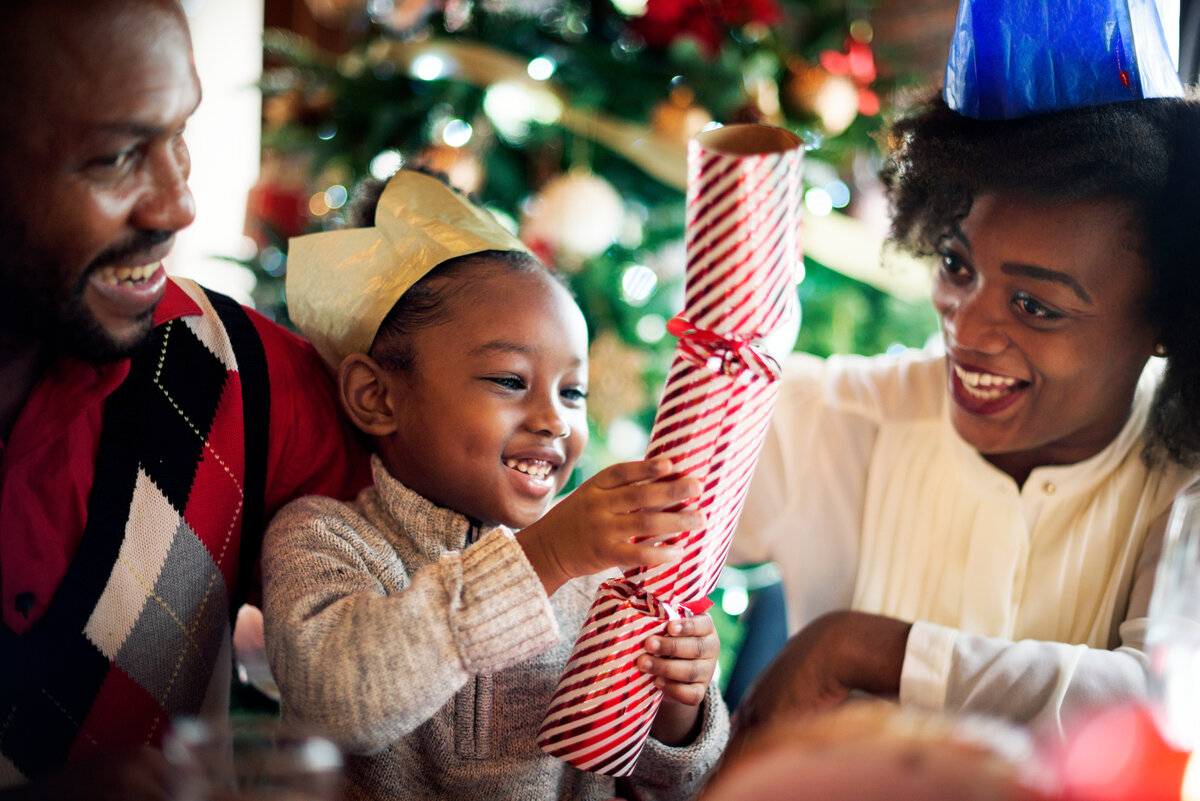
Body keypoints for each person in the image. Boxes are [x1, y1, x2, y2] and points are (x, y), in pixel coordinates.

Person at [729, 4, 1200, 740]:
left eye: (1035, 306)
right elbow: (627, 557)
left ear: (1165, 320)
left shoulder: (1186, 484)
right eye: (957, 264)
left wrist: (862, 646)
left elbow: (1165, 706)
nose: (966, 327)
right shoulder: (825, 416)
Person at [261, 169, 729, 801]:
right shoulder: (325, 539)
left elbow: (666, 783)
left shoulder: (602, 583)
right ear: (377, 396)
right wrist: (545, 557)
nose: (554, 420)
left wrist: (680, 707)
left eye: (573, 392)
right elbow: (339, 704)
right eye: (510, 380)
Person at [0, 0, 370, 795]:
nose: (177, 206)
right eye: (115, 158)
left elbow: (447, 597)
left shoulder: (236, 373)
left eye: (178, 137)